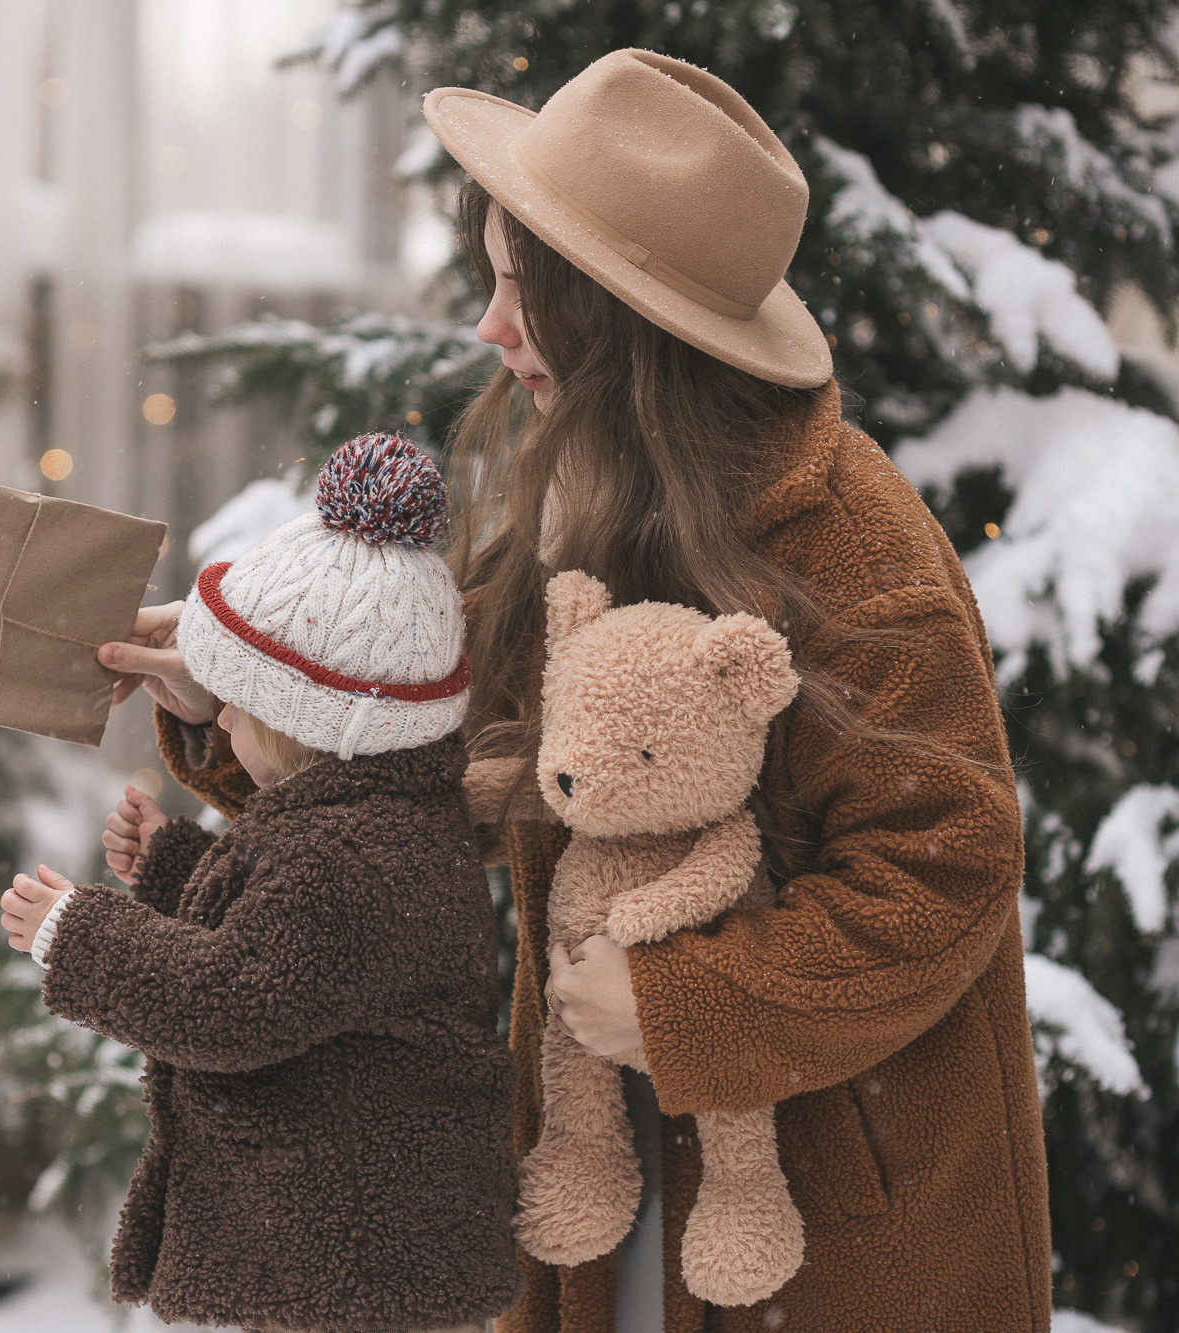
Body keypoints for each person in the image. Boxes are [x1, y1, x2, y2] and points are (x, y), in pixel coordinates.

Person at [99, 48, 1046, 1333]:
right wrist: (241, 693)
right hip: (611, 1168)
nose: (488, 332)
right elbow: (438, 741)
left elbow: (944, 863)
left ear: (617, 320)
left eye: (518, 292)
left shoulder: (852, 554)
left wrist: (691, 1005)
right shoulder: (598, 503)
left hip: (832, 1209)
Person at [0, 435, 523, 1333]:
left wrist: (76, 933)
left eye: (239, 699)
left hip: (350, 1267)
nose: (221, 711)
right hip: (367, 1246)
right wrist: (178, 868)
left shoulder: (347, 859)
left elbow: (233, 998)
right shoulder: (378, 824)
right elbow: (295, 954)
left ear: (306, 722)